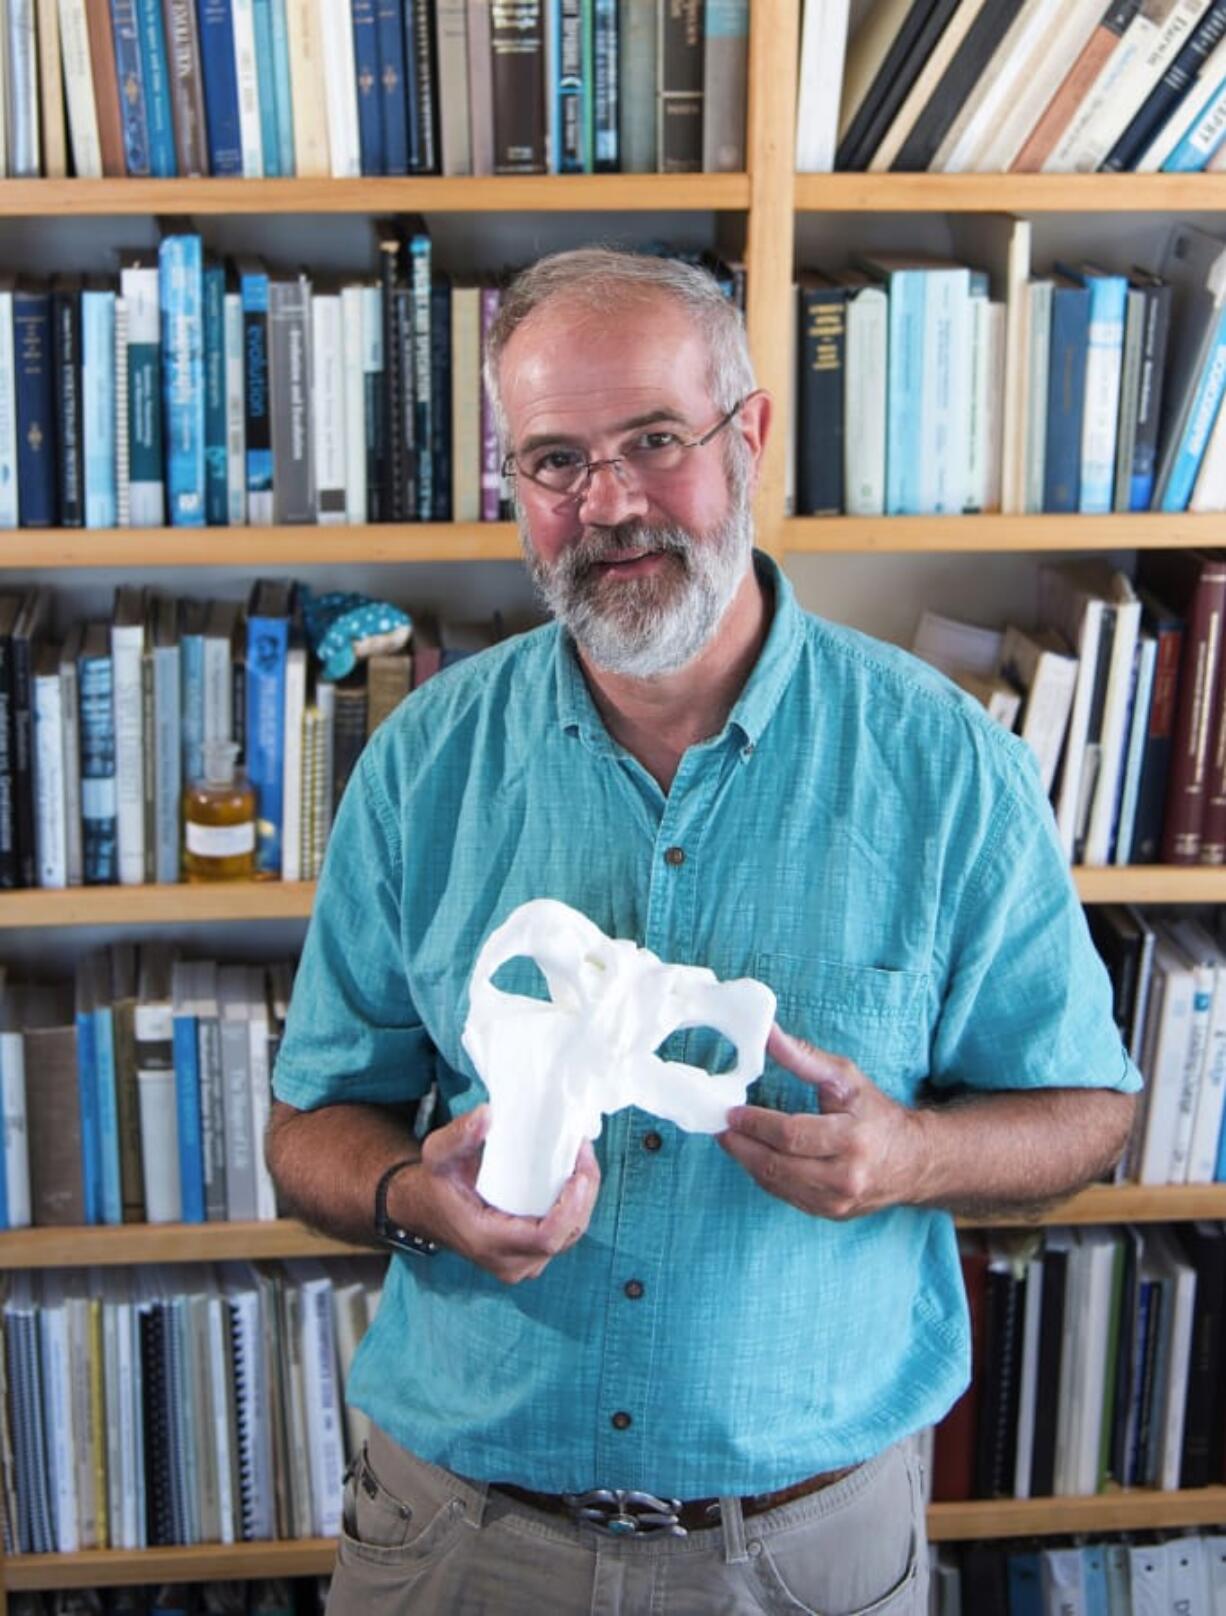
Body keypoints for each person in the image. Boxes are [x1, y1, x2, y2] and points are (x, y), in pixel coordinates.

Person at [266, 247, 1141, 1615]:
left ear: (753, 437)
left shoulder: (942, 764)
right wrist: (409, 1200)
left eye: (654, 441)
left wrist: (910, 1157)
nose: (606, 503)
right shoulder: (422, 761)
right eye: (553, 460)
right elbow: (314, 1123)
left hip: (802, 1553)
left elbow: (1086, 1111)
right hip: (462, 1536)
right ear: (511, 481)